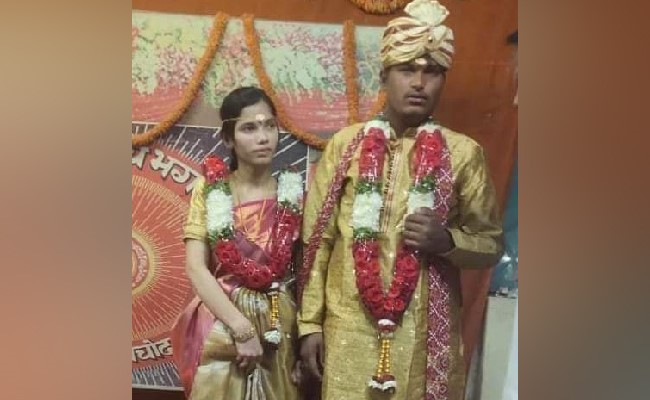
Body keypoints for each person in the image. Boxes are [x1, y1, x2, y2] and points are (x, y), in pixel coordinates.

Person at [296, 1, 504, 399]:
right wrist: (309, 324)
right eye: (407, 69)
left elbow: (491, 243)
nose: (420, 82)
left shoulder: (463, 153)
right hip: (347, 326)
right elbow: (317, 240)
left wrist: (447, 241)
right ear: (384, 76)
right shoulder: (345, 145)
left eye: (433, 72)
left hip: (423, 335)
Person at [170, 86, 304, 400]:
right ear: (228, 138)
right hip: (222, 323)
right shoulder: (210, 190)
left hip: (278, 325)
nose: (263, 137)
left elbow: (304, 273)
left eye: (269, 126)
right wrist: (241, 329)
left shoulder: (294, 192)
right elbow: (196, 268)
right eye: (249, 128)